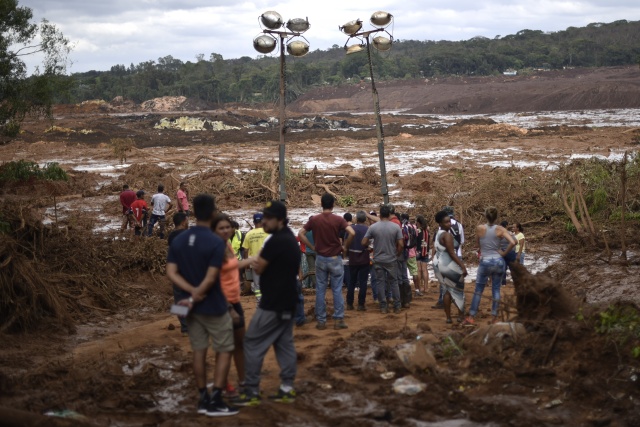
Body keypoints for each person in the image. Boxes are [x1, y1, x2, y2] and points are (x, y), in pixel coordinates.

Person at [166, 194, 238, 417]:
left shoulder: (178, 240)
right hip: (214, 306)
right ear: (214, 212)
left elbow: (170, 272)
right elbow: (211, 276)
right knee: (224, 350)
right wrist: (198, 292)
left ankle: (202, 398)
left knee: (198, 351)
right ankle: (216, 398)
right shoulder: (216, 241)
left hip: (189, 308)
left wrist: (189, 292)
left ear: (193, 213)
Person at [234, 201, 301, 406]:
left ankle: (252, 391)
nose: (264, 221)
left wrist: (250, 261)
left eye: (268, 218)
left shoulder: (275, 242)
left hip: (273, 304)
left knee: (252, 343)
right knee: (284, 344)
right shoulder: (289, 237)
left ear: (279, 220)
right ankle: (287, 387)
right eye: (264, 217)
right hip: (289, 301)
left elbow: (260, 269)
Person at [211, 213, 255, 398]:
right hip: (223, 303)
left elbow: (234, 265)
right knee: (225, 348)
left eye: (228, 227)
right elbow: (213, 280)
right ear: (214, 230)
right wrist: (228, 307)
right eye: (221, 228)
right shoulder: (215, 249)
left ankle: (244, 382)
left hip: (234, 301)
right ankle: (223, 387)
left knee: (240, 344)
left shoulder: (227, 244)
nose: (226, 230)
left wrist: (252, 260)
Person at [299, 193, 355, 331]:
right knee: (336, 289)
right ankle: (339, 319)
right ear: (333, 204)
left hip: (320, 258)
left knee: (320, 289)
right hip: (335, 258)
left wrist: (312, 247)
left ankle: (321, 321)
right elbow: (352, 232)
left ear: (321, 204)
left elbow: (301, 234)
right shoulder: (338, 219)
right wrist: (345, 247)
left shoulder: (315, 220)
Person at [463, 207, 516, 326]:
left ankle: (471, 316)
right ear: (496, 217)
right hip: (498, 261)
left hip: (485, 261)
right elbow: (513, 242)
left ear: (485, 216)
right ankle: (494, 317)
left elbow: (477, 245)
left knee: (478, 290)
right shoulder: (501, 229)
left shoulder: (480, 228)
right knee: (496, 289)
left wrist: (483, 249)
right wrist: (503, 253)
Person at [362, 204, 403, 314]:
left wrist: (368, 248)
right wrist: (397, 254)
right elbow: (401, 244)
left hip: (378, 259)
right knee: (394, 282)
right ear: (389, 214)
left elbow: (364, 242)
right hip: (391, 259)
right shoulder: (395, 227)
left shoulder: (373, 227)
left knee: (380, 282)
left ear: (380, 215)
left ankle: (383, 306)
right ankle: (397, 306)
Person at [432, 210, 468, 324]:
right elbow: (452, 253)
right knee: (458, 289)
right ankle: (460, 316)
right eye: (446, 222)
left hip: (438, 264)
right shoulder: (447, 235)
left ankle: (448, 318)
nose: (450, 224)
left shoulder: (437, 234)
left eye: (449, 221)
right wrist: (462, 266)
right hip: (448, 264)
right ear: (440, 224)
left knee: (447, 290)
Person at [168, 212, 189, 335]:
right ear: (183, 222)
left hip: (176, 271)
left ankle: (185, 326)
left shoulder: (171, 236)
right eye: (187, 220)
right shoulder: (188, 234)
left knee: (178, 299)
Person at [346, 211, 370, 311]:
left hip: (353, 258)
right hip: (364, 258)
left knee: (352, 281)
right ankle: (361, 304)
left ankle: (350, 303)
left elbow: (346, 243)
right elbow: (370, 243)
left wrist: (346, 255)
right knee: (363, 282)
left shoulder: (351, 229)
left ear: (356, 219)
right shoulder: (367, 229)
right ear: (364, 219)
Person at [242, 213, 268, 302]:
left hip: (255, 263)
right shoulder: (267, 232)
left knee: (257, 285)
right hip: (267, 262)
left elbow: (245, 250)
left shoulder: (249, 234)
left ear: (253, 222)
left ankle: (259, 302)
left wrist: (246, 264)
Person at [401, 213, 420, 297]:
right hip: (412, 252)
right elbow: (417, 238)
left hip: (404, 252)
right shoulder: (414, 227)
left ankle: (404, 291)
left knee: (403, 273)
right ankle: (417, 290)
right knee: (414, 272)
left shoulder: (402, 227)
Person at [415, 215, 431, 294]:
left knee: (419, 269)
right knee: (425, 270)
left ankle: (420, 287)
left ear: (418, 223)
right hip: (426, 252)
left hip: (418, 251)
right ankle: (426, 287)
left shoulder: (417, 231)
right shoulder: (427, 231)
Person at [500, 221, 517, 286]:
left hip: (502, 252)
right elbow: (515, 242)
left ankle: (503, 283)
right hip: (510, 252)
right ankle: (516, 283)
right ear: (507, 226)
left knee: (503, 268)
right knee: (512, 268)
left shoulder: (498, 234)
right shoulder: (509, 233)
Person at [303, 218, 316, 288]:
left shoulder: (306, 231)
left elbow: (300, 237)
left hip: (308, 251)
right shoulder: (317, 230)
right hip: (317, 251)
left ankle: (314, 283)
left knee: (311, 268)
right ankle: (320, 283)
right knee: (319, 268)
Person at [342, 212, 353, 290]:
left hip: (346, 250)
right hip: (355, 251)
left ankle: (348, 285)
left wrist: (343, 253)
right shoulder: (355, 227)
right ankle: (355, 284)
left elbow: (341, 242)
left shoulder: (344, 229)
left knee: (347, 269)